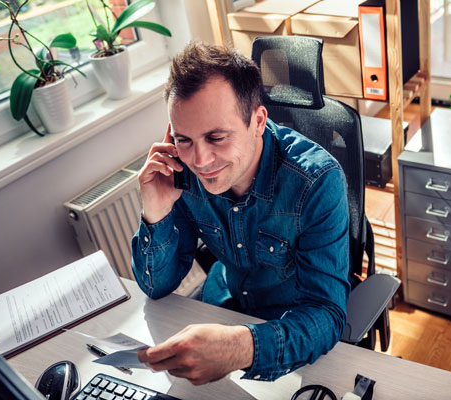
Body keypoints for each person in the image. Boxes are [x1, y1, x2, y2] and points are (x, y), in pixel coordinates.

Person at [131, 42, 351, 385]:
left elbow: (326, 313)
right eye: (184, 139)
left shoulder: (317, 181)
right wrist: (155, 212)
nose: (200, 161)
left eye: (216, 137)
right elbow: (156, 287)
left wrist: (239, 347)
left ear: (258, 121)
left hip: (288, 331)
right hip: (223, 307)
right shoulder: (182, 171)